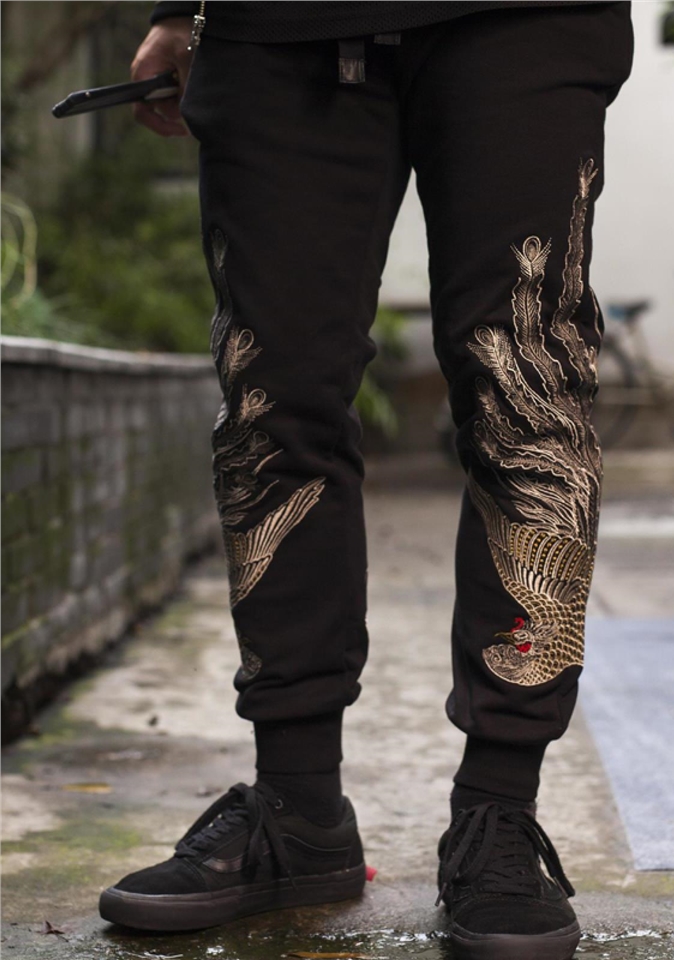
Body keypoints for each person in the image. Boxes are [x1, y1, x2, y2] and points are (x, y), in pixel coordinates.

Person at [99, 3, 634, 958]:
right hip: (274, 24)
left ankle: (500, 811)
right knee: (271, 402)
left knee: (527, 397)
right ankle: (297, 810)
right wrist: (178, 9)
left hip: (526, 18)